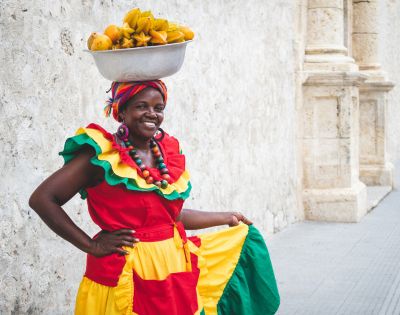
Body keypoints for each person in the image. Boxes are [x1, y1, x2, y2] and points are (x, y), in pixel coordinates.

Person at [29, 80, 280, 315]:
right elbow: (43, 199)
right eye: (141, 106)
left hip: (172, 268)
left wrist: (225, 216)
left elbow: (171, 217)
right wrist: (91, 245)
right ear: (121, 111)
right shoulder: (101, 156)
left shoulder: (166, 155)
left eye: (158, 108)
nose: (152, 113)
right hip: (125, 271)